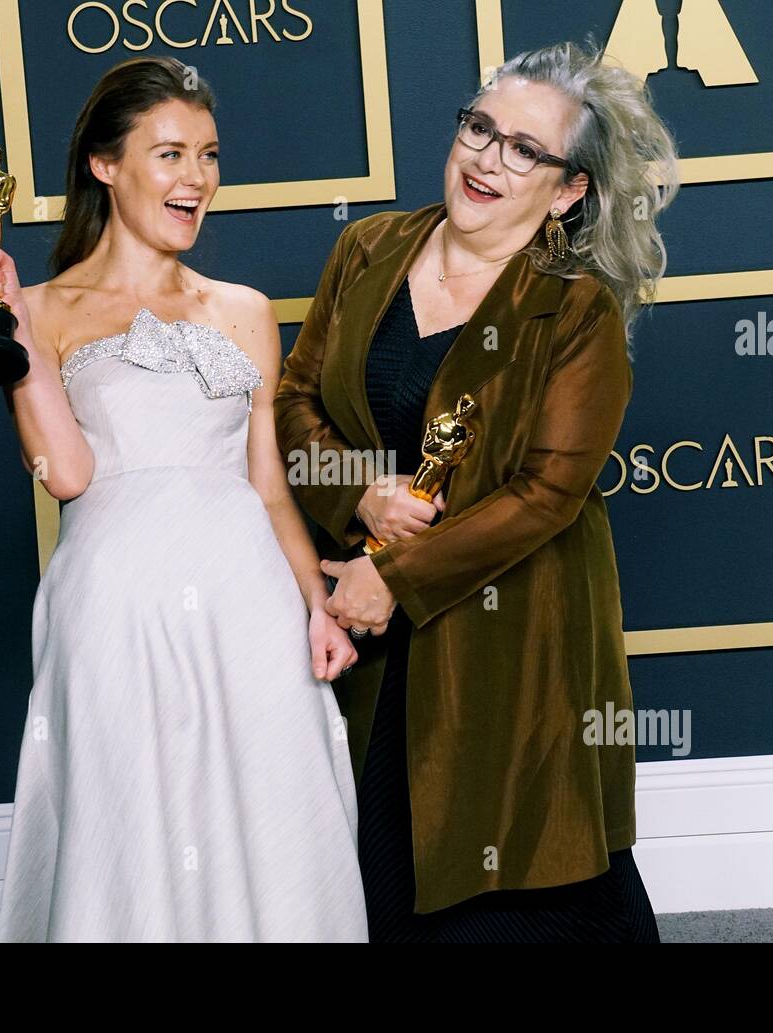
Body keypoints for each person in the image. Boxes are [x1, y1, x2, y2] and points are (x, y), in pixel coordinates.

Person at [274, 40, 681, 942]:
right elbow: (296, 401)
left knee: (526, 880)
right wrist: (360, 497)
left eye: (524, 150)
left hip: (512, 634)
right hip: (372, 641)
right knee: (386, 874)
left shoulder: (576, 310)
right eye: (479, 128)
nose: (487, 160)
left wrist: (397, 576)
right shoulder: (368, 247)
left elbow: (546, 493)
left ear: (568, 189)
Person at [0, 56, 367, 942]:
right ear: (105, 165)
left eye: (210, 156)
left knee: (270, 815)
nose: (198, 179)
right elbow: (65, 474)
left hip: (245, 598)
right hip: (113, 601)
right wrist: (13, 332)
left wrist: (316, 603)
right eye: (171, 155)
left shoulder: (245, 309)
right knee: (128, 824)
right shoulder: (42, 307)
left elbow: (266, 485)